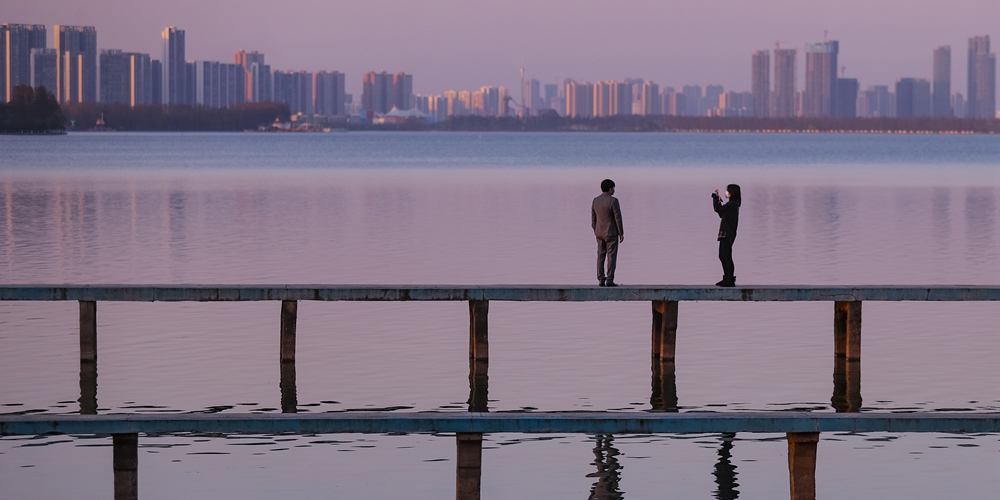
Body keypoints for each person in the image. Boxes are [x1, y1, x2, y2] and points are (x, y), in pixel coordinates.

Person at [592, 179, 624, 287]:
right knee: (612, 256)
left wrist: (596, 229)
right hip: (611, 233)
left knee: (600, 256)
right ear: (610, 189)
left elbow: (593, 218)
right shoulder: (614, 201)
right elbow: (617, 218)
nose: (614, 190)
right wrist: (621, 232)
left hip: (599, 233)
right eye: (613, 188)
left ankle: (601, 279)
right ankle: (609, 279)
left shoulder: (595, 200)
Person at [712, 184, 741, 287]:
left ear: (732, 193)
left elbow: (717, 209)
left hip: (727, 233)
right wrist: (718, 201)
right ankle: (727, 278)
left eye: (728, 191)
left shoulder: (733, 204)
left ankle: (730, 279)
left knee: (726, 256)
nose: (726, 193)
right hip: (725, 233)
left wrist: (715, 198)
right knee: (722, 256)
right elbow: (721, 214)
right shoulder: (732, 205)